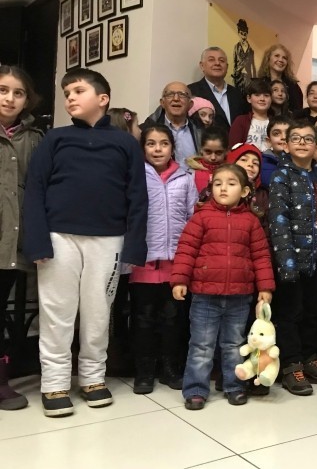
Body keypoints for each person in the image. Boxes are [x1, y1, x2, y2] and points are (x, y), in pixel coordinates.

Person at [23, 68, 148, 417]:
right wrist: (37, 241)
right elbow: (35, 190)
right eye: (67, 93)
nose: (70, 98)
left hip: (109, 240)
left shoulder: (125, 143)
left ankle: (93, 377)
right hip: (58, 237)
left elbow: (138, 197)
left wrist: (134, 245)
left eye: (78, 91)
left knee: (97, 312)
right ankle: (55, 383)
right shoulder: (55, 138)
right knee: (57, 312)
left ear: (103, 99)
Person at [171, 164, 274, 410]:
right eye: (217, 184)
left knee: (234, 344)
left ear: (245, 191)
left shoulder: (251, 222)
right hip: (205, 295)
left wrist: (265, 287)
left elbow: (261, 256)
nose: (223, 188)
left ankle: (234, 386)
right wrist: (180, 280)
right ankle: (196, 389)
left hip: (239, 296)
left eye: (231, 183)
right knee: (201, 345)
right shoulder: (201, 217)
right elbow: (186, 250)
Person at [268, 120, 317, 395]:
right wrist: (286, 262)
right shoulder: (281, 176)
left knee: (312, 309)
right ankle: (291, 364)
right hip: (292, 256)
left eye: (308, 139)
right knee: (291, 311)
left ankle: (309, 355)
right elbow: (278, 221)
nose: (302, 143)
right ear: (286, 146)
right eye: (296, 138)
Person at [130, 125, 197, 394]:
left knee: (173, 320)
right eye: (151, 144)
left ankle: (170, 368)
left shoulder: (186, 179)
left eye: (164, 144)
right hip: (143, 262)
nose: (157, 149)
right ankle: (144, 372)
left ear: (172, 148)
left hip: (175, 264)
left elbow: (192, 218)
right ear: (143, 148)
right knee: (143, 320)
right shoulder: (136, 176)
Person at [0, 66, 43, 411]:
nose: (9, 98)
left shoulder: (35, 139)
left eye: (18, 93)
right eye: (3, 90)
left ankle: (1, 381)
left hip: (12, 240)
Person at [188, 47, 248, 132]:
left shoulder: (238, 94)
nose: (217, 63)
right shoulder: (191, 91)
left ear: (227, 67)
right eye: (211, 60)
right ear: (202, 66)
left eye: (221, 60)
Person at [143, 82, 202, 168]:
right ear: (162, 103)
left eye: (182, 95)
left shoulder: (201, 130)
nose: (176, 99)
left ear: (190, 105)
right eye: (170, 94)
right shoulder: (147, 130)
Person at [228, 78, 272, 152]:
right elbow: (233, 149)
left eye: (266, 95)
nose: (262, 99)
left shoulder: (276, 122)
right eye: (257, 95)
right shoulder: (241, 121)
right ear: (249, 98)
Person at [258, 44, 303, 112]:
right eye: (277, 56)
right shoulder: (260, 83)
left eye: (284, 58)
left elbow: (298, 110)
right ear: (268, 59)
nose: (281, 60)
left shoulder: (293, 86)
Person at [186, 127, 229, 199]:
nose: (213, 157)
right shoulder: (191, 174)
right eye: (208, 152)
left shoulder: (233, 173)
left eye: (218, 152)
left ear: (226, 151)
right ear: (201, 149)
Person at [260, 115, 290, 189]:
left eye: (288, 133)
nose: (283, 137)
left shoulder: (301, 160)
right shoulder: (262, 162)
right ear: (269, 141)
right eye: (276, 134)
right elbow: (272, 184)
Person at [231, 19, 256, 90]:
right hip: (238, 78)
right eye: (241, 33)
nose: (243, 37)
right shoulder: (236, 47)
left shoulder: (251, 50)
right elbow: (234, 64)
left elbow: (253, 66)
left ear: (247, 34)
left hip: (248, 78)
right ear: (238, 33)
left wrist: (254, 80)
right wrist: (235, 78)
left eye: (245, 34)